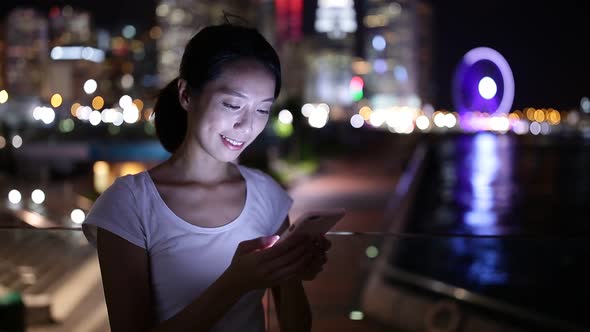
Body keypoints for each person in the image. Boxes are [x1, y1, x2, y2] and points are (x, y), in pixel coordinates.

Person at [82, 23, 331, 332]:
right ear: (186, 95)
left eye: (262, 110)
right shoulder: (129, 204)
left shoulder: (266, 193)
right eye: (232, 104)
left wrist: (289, 271)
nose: (246, 126)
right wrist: (235, 282)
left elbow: (296, 326)